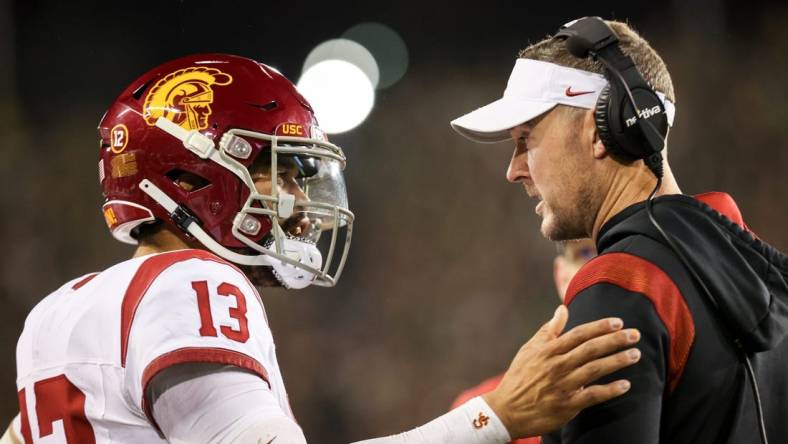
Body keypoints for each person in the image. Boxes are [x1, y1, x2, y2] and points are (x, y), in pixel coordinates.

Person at [4, 53, 644, 444]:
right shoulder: (192, 283)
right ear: (194, 174)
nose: (298, 198)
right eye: (279, 171)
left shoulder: (54, 314)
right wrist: (496, 414)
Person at [450, 17, 788, 444]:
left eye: (525, 139)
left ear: (598, 130)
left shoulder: (619, 284)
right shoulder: (764, 275)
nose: (513, 170)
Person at [451, 240, 596, 444]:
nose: (603, 268)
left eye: (615, 250)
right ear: (562, 276)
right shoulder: (485, 409)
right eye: (587, 252)